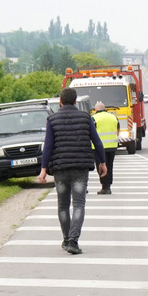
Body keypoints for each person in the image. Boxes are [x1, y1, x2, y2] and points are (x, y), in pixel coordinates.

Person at [37, 87, 107, 255]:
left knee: (62, 205)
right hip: (80, 168)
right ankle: (73, 241)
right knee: (78, 204)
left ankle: (66, 239)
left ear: (60, 101)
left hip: (60, 169)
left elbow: (48, 146)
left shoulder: (52, 120)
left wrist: (43, 169)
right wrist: (102, 162)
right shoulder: (85, 117)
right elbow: (97, 142)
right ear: (75, 101)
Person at [91, 101, 119, 194]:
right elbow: (118, 129)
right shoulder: (113, 117)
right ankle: (109, 186)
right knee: (110, 166)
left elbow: (91, 132)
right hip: (112, 146)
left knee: (101, 166)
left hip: (99, 147)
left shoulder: (94, 118)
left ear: (96, 109)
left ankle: (104, 186)